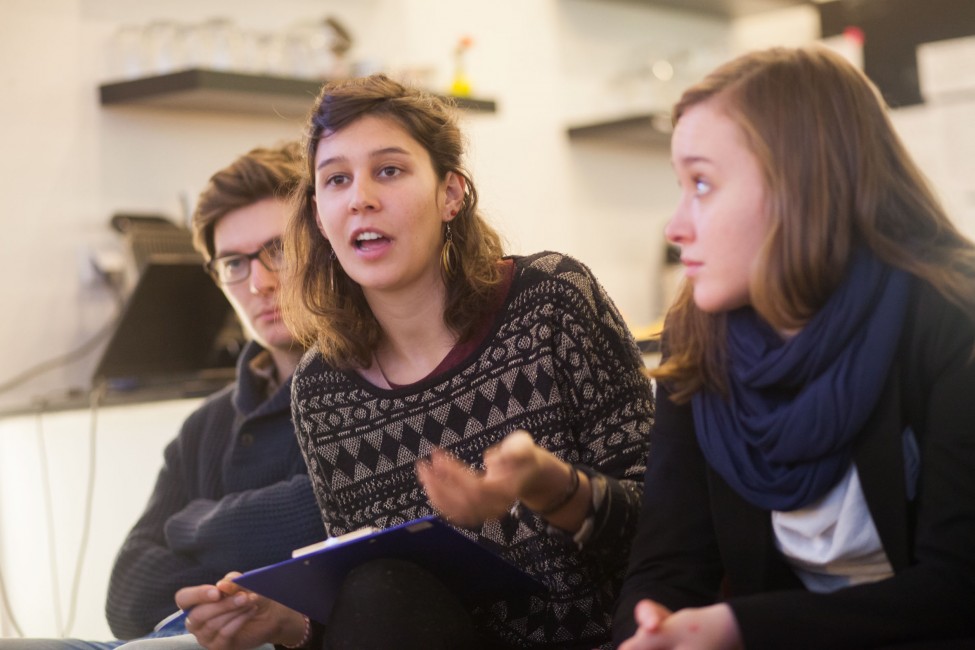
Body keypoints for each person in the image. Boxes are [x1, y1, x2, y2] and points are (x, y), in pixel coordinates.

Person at [174, 74, 655, 650]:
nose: (361, 198)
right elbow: (384, 609)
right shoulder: (324, 390)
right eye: (336, 180)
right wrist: (293, 626)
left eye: (389, 170)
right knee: (377, 584)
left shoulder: (550, 298)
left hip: (618, 638)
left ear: (450, 194)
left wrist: (550, 488)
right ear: (321, 217)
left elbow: (664, 531)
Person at [613, 46, 975, 650]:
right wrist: (649, 636)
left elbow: (959, 586)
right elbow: (668, 567)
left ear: (803, 186)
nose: (675, 226)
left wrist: (738, 629)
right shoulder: (697, 333)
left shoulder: (950, 317)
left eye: (702, 184)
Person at [0, 143, 323, 649]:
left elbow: (322, 517)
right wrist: (249, 562)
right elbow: (126, 590)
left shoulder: (362, 389)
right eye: (234, 263)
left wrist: (192, 523)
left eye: (278, 249)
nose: (259, 281)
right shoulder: (207, 424)